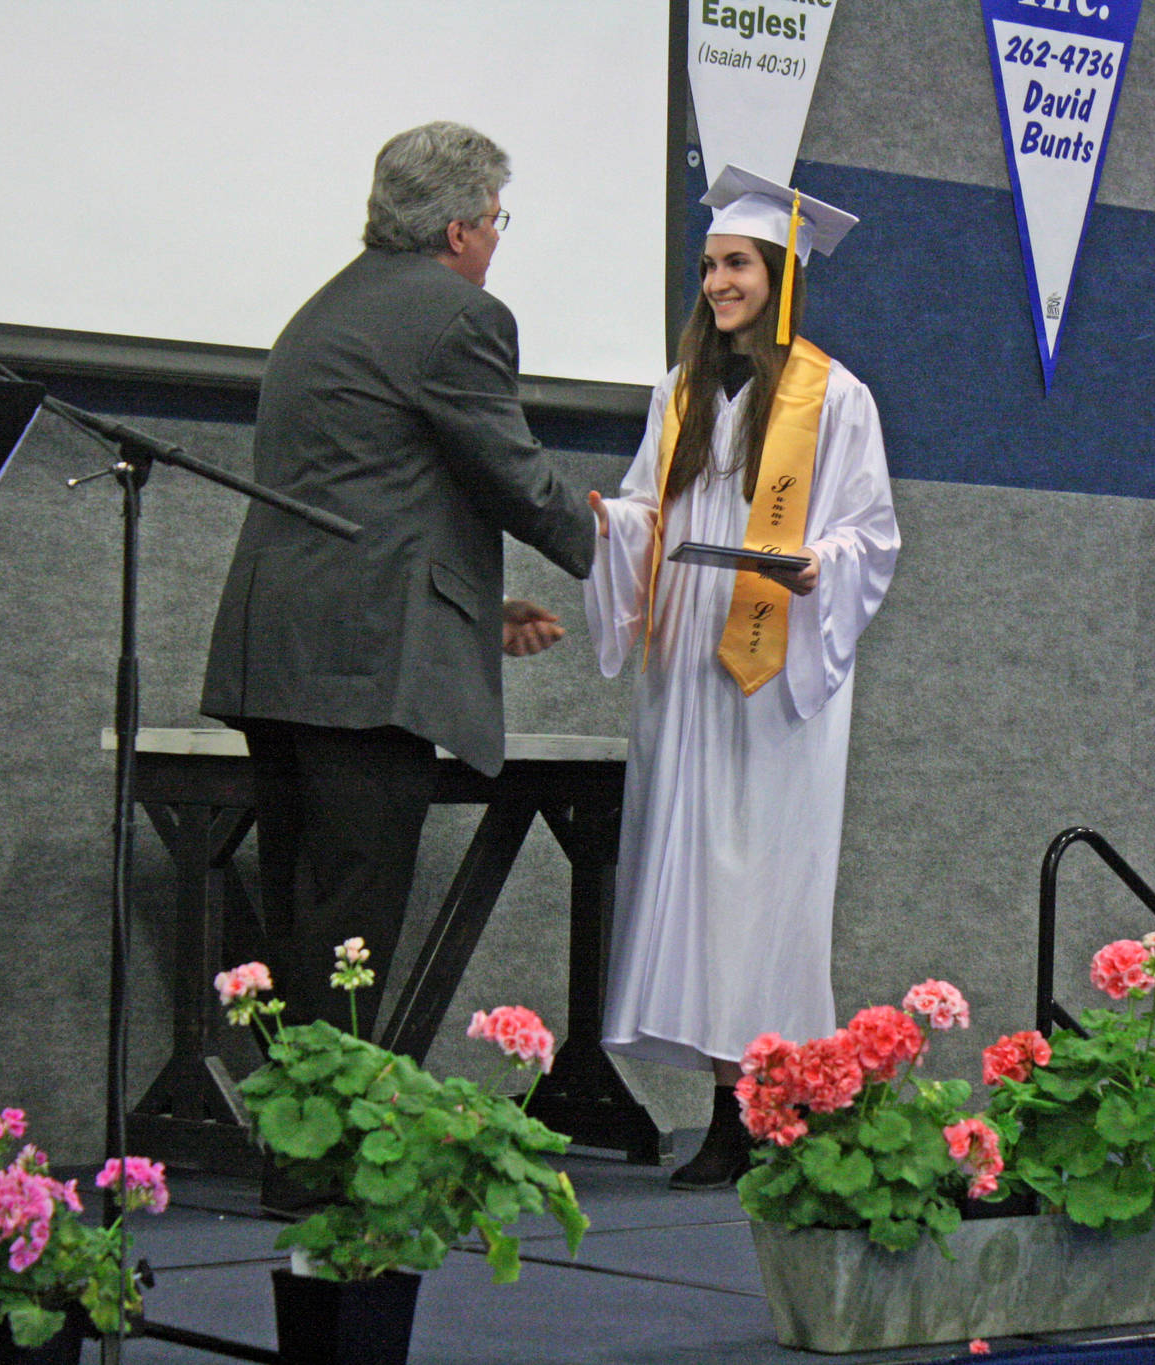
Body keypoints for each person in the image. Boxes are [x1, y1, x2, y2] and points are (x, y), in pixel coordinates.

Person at [201, 121, 595, 1037]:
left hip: (288, 653)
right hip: (362, 677)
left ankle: (298, 1165)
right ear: (458, 230)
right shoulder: (460, 315)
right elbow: (512, 474)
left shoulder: (327, 304)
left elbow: (369, 490)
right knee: (348, 932)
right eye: (497, 220)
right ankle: (324, 1166)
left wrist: (472, 612)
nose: (498, 239)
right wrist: (626, 550)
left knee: (310, 917)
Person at [583, 166, 900, 1189]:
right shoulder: (677, 393)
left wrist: (823, 565)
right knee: (701, 890)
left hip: (775, 673)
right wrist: (609, 526)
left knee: (766, 887)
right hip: (690, 669)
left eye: (737, 265)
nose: (717, 282)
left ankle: (771, 1101)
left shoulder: (835, 398)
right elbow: (647, 509)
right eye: (711, 264)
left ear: (779, 274)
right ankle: (732, 1103)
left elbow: (869, 534)